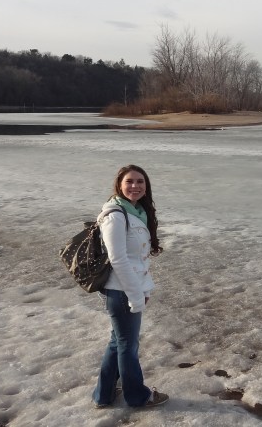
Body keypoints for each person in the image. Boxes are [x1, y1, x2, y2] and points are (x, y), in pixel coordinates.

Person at [92, 164, 168, 408]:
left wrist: (142, 289)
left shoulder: (136, 212)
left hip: (130, 287)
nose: (135, 186)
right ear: (119, 185)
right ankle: (137, 396)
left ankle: (103, 395)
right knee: (127, 344)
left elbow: (137, 259)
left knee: (118, 341)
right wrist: (136, 296)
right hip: (121, 290)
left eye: (140, 182)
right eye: (130, 181)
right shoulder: (115, 216)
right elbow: (118, 260)